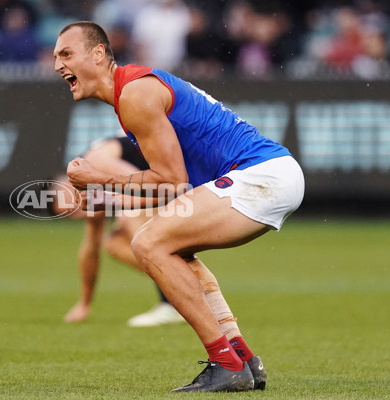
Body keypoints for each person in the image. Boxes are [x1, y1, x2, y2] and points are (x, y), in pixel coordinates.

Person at [53, 21, 304, 393]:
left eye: (66, 54)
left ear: (99, 54)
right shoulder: (134, 89)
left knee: (148, 243)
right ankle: (241, 358)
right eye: (56, 56)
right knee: (172, 247)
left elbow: (172, 182)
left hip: (261, 175)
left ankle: (224, 362)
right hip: (270, 173)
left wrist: (99, 180)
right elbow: (173, 188)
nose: (57, 65)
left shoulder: (134, 94)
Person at [54, 136, 185, 327]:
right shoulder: (88, 196)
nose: (77, 211)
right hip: (172, 187)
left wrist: (117, 202)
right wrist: (85, 303)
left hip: (185, 176)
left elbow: (149, 188)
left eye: (69, 201)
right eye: (70, 213)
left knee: (129, 216)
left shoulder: (97, 161)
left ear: (69, 179)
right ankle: (183, 291)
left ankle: (173, 303)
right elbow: (91, 250)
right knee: (113, 243)